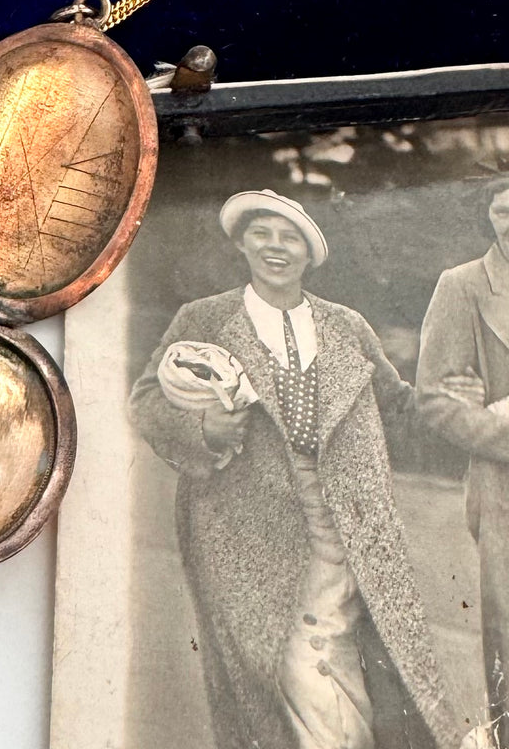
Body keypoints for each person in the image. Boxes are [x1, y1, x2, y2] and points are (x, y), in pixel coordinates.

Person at [129, 189, 462, 749]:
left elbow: (399, 404)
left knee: (332, 644)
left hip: (347, 514)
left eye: (292, 239)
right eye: (263, 233)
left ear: (310, 255)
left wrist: (460, 409)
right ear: (241, 242)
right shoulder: (205, 318)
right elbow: (146, 402)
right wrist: (204, 431)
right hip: (241, 524)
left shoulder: (346, 326)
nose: (276, 248)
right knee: (276, 663)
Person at [417, 177, 509, 749]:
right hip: (503, 489)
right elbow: (437, 401)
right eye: (503, 209)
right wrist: (502, 426)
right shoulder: (464, 287)